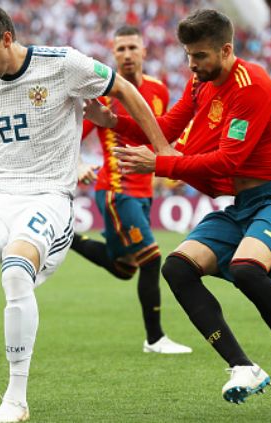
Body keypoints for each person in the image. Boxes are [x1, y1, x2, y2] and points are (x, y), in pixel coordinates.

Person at [0, 2, 175, 422]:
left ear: (7, 38)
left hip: (47, 195)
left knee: (15, 268)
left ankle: (15, 398)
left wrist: (165, 150)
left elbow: (125, 91)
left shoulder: (63, 64)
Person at [85, 9, 271, 418]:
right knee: (177, 268)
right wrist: (116, 122)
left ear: (226, 50)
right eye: (188, 56)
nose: (192, 65)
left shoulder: (252, 87)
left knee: (249, 269)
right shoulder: (201, 82)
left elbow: (226, 164)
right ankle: (242, 367)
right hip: (242, 207)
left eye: (198, 56)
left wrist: (158, 165)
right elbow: (166, 127)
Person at [73, 26, 191, 355]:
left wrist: (173, 167)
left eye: (132, 48)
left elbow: (162, 136)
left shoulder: (158, 90)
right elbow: (72, 138)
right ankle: (155, 339)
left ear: (144, 52)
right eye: (120, 49)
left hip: (144, 192)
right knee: (152, 259)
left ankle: (66, 238)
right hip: (115, 189)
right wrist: (77, 164)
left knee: (125, 267)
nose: (126, 54)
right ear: (113, 54)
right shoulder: (105, 96)